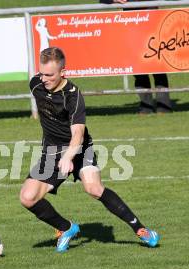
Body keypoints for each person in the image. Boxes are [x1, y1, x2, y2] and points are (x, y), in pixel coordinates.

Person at [20, 47, 160, 253]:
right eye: (41, 73)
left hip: (79, 149)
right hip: (52, 152)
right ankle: (66, 228)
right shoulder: (36, 85)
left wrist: (69, 156)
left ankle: (141, 229)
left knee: (93, 188)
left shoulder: (73, 97)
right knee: (28, 197)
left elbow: (78, 134)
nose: (44, 78)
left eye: (50, 75)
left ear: (62, 73)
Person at [100, 0, 173, 114]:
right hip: (131, 28)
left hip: (153, 25)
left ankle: (164, 106)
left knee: (158, 68)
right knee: (139, 70)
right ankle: (146, 106)